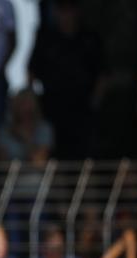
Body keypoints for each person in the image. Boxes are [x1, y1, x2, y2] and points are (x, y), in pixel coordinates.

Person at [28, 0, 103, 159]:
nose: (66, 15)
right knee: (54, 153)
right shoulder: (46, 38)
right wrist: (34, 102)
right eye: (62, 10)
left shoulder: (90, 38)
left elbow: (103, 74)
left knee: (84, 152)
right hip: (51, 106)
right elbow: (31, 71)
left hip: (82, 107)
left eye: (70, 10)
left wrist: (94, 101)